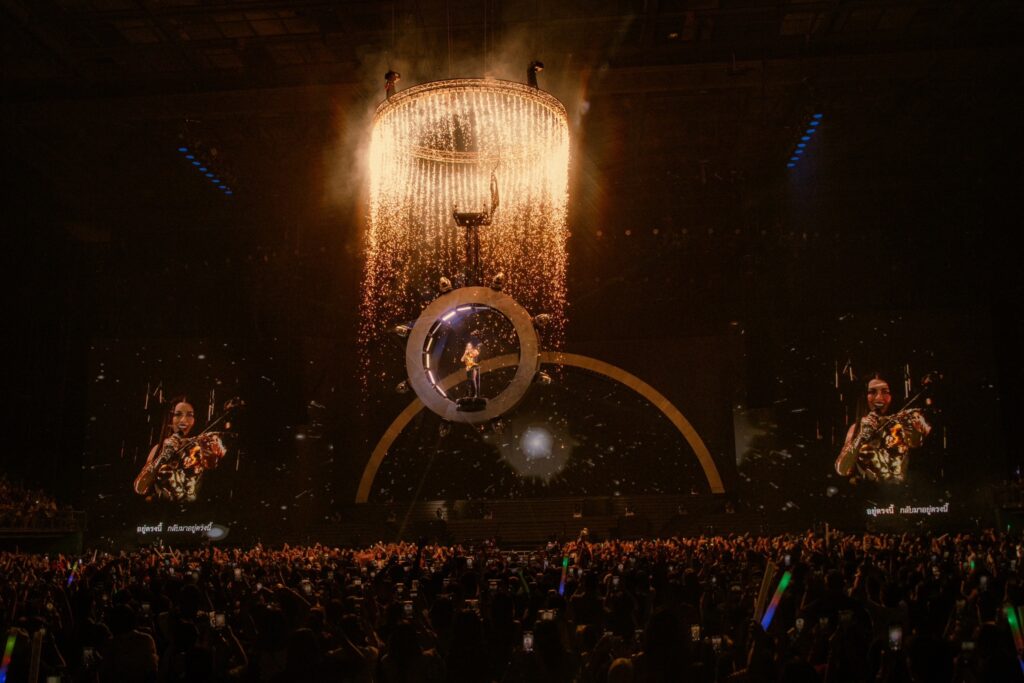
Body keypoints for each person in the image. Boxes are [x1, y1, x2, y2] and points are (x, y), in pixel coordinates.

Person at [834, 374, 931, 483]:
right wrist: (861, 436)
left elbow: (917, 444)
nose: (879, 398)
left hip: (902, 491)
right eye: (872, 392)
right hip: (866, 491)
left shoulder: (906, 421)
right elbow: (842, 469)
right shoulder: (857, 426)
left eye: (885, 392)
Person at [134, 397, 226, 503]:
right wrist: (162, 456)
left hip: (194, 510)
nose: (183, 420)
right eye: (178, 414)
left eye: (189, 415)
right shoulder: (159, 448)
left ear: (194, 420)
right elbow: (140, 488)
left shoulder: (202, 445)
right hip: (163, 509)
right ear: (170, 419)